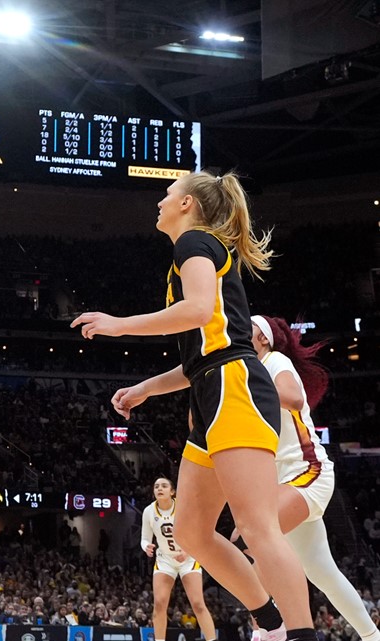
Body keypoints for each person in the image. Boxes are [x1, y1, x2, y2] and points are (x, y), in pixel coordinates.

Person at [70, 171, 315, 641]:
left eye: (167, 194)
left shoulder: (195, 242)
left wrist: (119, 325)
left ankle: (303, 635)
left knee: (257, 526)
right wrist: (145, 388)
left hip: (235, 387)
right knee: (190, 532)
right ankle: (270, 622)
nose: (159, 201)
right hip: (212, 386)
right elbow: (202, 355)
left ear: (187, 204)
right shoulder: (191, 252)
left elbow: (200, 311)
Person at [244, 315, 380, 641]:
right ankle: (372, 636)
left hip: (308, 472)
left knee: (253, 536)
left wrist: (251, 391)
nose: (237, 332)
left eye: (245, 329)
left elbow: (294, 398)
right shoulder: (250, 372)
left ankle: (271, 630)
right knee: (322, 572)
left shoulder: (275, 361)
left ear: (263, 338)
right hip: (283, 483)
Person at [141, 477, 216, 641]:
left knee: (198, 604)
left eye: (164, 486)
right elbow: (145, 538)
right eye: (156, 486)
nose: (159, 488)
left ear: (172, 491)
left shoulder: (184, 507)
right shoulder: (149, 511)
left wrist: (187, 551)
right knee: (159, 604)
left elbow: (198, 534)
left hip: (188, 558)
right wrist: (146, 546)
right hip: (165, 559)